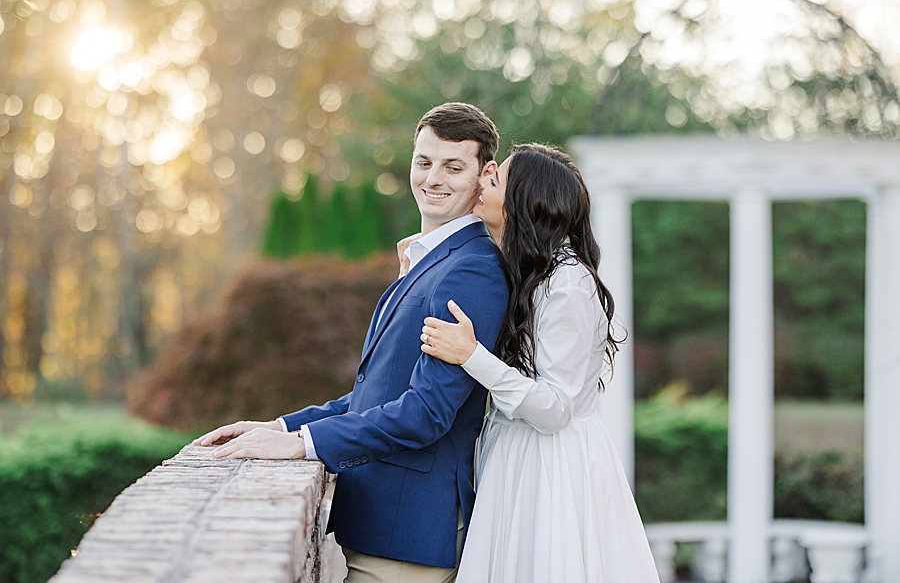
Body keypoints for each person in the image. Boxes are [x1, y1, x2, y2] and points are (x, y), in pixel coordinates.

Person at [193, 102, 509, 583]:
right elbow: (375, 395)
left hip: (408, 538)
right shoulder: (432, 259)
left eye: (453, 166)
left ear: (484, 174)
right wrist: (281, 427)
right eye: (423, 162)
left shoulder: (471, 269)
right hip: (382, 529)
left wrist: (304, 446)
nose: (433, 178)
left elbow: (426, 413)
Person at [416, 143, 660, 583]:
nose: (483, 180)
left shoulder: (566, 283)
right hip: (514, 455)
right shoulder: (526, 269)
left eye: (495, 179)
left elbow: (554, 409)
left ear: (523, 203)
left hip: (552, 470)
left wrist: (472, 356)